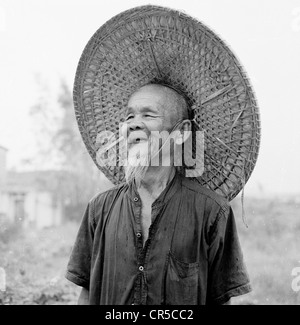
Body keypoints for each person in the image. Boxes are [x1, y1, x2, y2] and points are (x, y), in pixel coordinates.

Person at [65, 83, 252, 305]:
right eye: (130, 116)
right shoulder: (100, 208)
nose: (134, 124)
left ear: (181, 133)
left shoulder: (211, 212)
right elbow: (86, 294)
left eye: (148, 115)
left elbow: (220, 300)